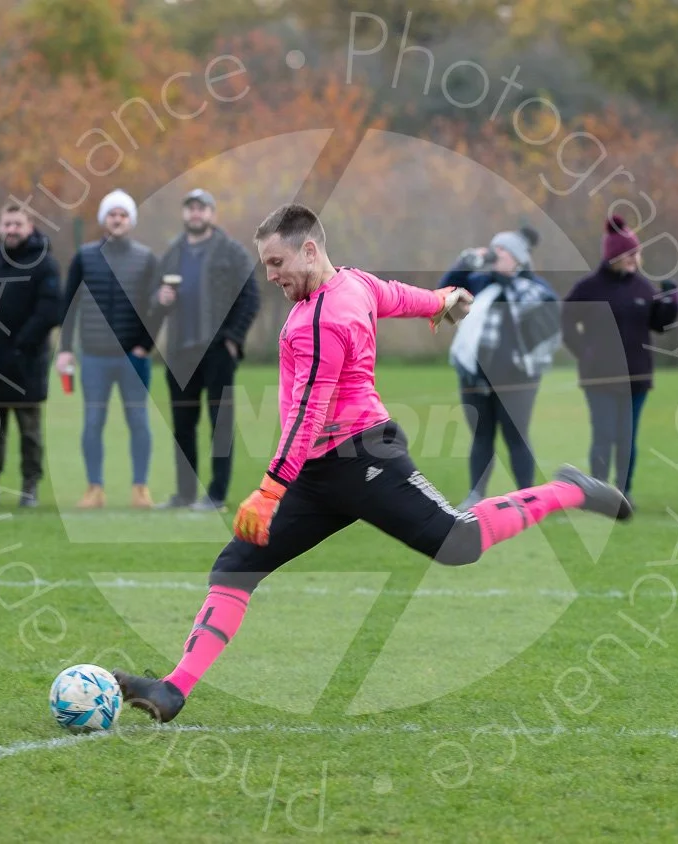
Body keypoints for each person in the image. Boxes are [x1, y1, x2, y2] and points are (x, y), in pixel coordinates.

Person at [111, 203, 628, 724]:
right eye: (265, 265)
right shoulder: (350, 284)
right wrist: (440, 301)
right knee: (235, 568)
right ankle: (173, 689)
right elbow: (394, 295)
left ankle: (569, 490)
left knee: (459, 543)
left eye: (276, 263)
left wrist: (270, 489)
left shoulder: (323, 318)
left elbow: (309, 414)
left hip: (365, 459)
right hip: (315, 475)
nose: (271, 277)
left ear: (309, 250)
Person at [150, 188, 261, 512]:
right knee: (183, 426)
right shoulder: (171, 253)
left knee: (220, 424)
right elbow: (153, 304)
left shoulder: (232, 252)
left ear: (212, 214)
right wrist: (160, 300)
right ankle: (184, 494)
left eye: (202, 208)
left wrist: (232, 339)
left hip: (216, 352)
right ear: (184, 214)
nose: (195, 214)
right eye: (190, 208)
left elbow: (251, 298)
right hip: (179, 353)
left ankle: (215, 495)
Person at [562, 215, 678, 513]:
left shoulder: (643, 287)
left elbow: (659, 324)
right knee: (604, 434)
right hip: (599, 378)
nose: (634, 259)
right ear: (613, 255)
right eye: (628, 254)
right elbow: (565, 322)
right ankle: (598, 491)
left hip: (637, 378)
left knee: (627, 437)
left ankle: (624, 492)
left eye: (636, 253)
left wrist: (671, 302)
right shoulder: (588, 288)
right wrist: (583, 353)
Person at [441, 229, 561, 509]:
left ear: (518, 259)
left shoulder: (534, 289)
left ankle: (529, 499)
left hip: (518, 379)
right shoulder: (480, 283)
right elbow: (444, 293)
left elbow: (551, 327)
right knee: (481, 436)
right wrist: (464, 263)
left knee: (516, 436)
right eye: (493, 248)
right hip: (474, 375)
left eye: (502, 250)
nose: (495, 254)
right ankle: (476, 497)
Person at [56, 189, 159, 510]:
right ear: (104, 219)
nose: (117, 219)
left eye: (123, 214)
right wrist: (65, 348)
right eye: (112, 214)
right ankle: (94, 488)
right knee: (92, 422)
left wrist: (146, 346)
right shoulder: (85, 257)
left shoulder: (146, 259)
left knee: (139, 423)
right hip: (94, 356)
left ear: (130, 221)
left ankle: (140, 488)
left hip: (133, 358)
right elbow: (68, 305)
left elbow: (156, 308)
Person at [0, 204, 61, 508]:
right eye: (7, 224)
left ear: (30, 226)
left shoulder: (45, 263)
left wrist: (22, 344)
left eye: (18, 224)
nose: (12, 230)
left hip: (27, 359)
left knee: (29, 429)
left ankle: (30, 485)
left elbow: (51, 310)